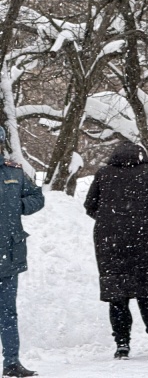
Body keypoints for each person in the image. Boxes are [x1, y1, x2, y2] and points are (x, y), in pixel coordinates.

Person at [84, 141, 148, 360]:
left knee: (117, 294)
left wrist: (111, 220)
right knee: (147, 291)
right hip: (140, 238)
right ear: (141, 155)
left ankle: (122, 345)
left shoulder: (104, 173)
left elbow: (90, 205)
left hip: (109, 240)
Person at [0, 127, 43, 378]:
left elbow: (37, 197)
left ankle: (11, 363)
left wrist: (21, 205)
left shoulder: (14, 171)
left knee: (8, 312)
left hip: (9, 254)